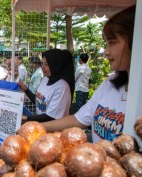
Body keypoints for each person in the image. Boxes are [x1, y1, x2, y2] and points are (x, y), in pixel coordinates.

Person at [42, 5, 136, 143]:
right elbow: (78, 118)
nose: (106, 51)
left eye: (112, 43)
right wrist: (37, 127)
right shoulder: (110, 83)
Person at [19, 49, 75, 122]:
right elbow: (39, 102)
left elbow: (50, 117)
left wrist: (26, 118)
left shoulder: (62, 87)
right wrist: (26, 89)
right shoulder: (45, 79)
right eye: (43, 63)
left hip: (54, 130)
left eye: (47, 64)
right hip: (42, 126)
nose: (43, 67)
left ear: (56, 65)